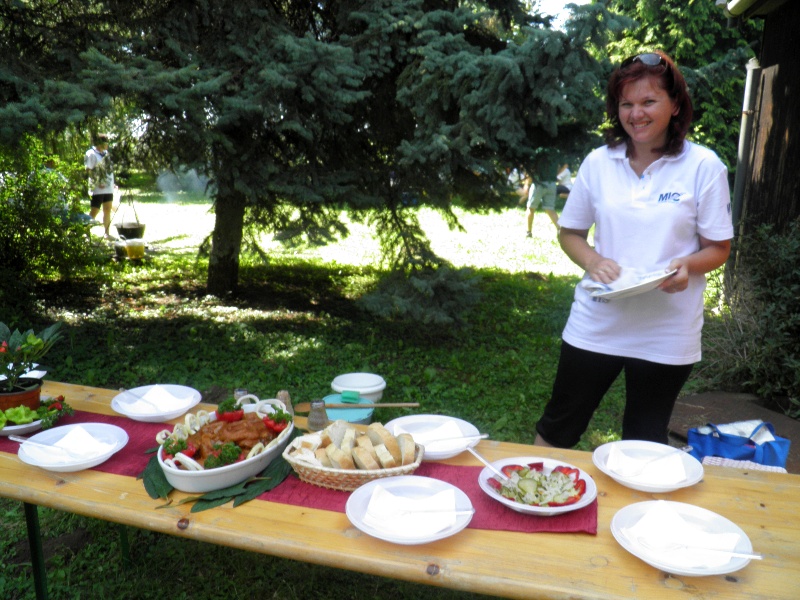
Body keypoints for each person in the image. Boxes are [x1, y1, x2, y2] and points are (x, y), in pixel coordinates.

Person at [534, 51, 733, 448]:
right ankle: (533, 488)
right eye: (626, 103)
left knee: (645, 441)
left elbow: (719, 248)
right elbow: (570, 233)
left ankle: (633, 493)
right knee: (559, 426)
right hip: (597, 320)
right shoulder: (598, 163)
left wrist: (687, 265)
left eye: (648, 101)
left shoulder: (703, 166)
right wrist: (593, 260)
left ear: (675, 105)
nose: (636, 113)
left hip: (668, 328)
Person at [84, 134, 115, 240]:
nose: (108, 145)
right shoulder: (91, 154)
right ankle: (86, 232)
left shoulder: (107, 154)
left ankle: (107, 233)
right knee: (95, 210)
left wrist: (113, 183)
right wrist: (97, 182)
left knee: (107, 209)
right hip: (97, 188)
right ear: (100, 143)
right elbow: (88, 170)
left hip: (108, 187)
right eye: (106, 143)